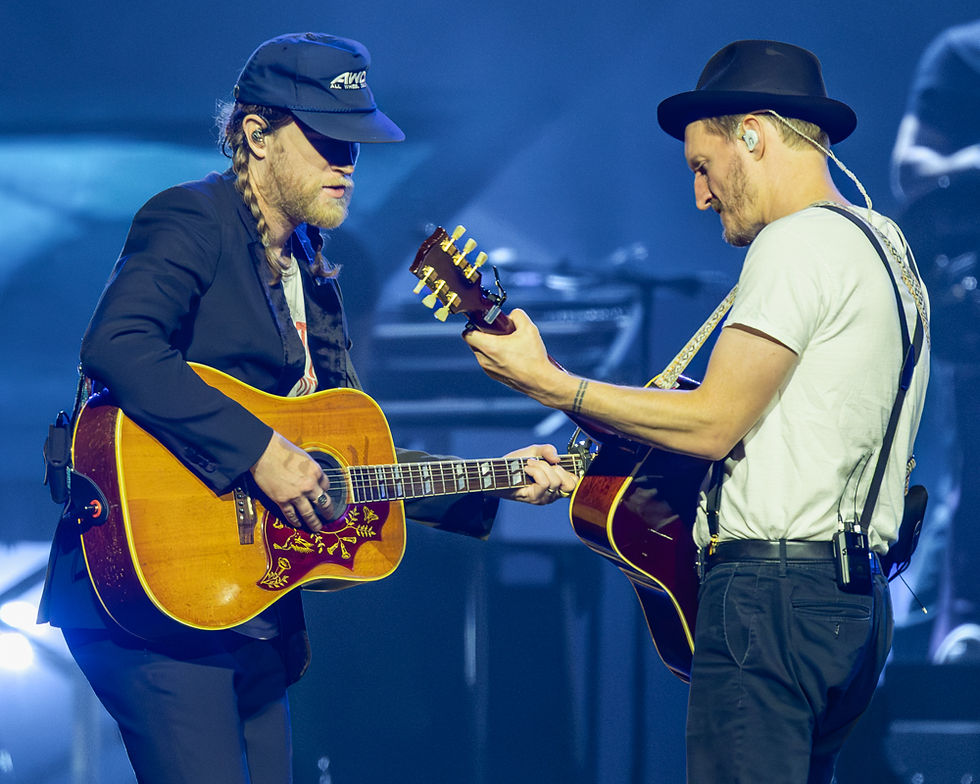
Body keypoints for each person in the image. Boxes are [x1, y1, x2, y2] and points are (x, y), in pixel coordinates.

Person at [36, 33, 577, 784]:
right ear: (254, 135)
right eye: (325, 139)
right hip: (150, 594)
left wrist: (497, 478)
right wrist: (259, 451)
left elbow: (343, 464)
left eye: (355, 143)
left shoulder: (317, 275)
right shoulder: (193, 219)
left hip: (251, 607)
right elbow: (119, 345)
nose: (346, 162)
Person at [463, 40, 930, 783]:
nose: (701, 196)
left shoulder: (795, 243)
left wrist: (551, 384)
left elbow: (714, 423)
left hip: (770, 603)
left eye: (701, 167)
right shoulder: (888, 246)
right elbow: (795, 432)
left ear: (754, 133)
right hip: (856, 609)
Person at [891, 19, 980, 663]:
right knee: (967, 481)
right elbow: (911, 169)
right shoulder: (963, 53)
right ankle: (936, 648)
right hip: (968, 313)